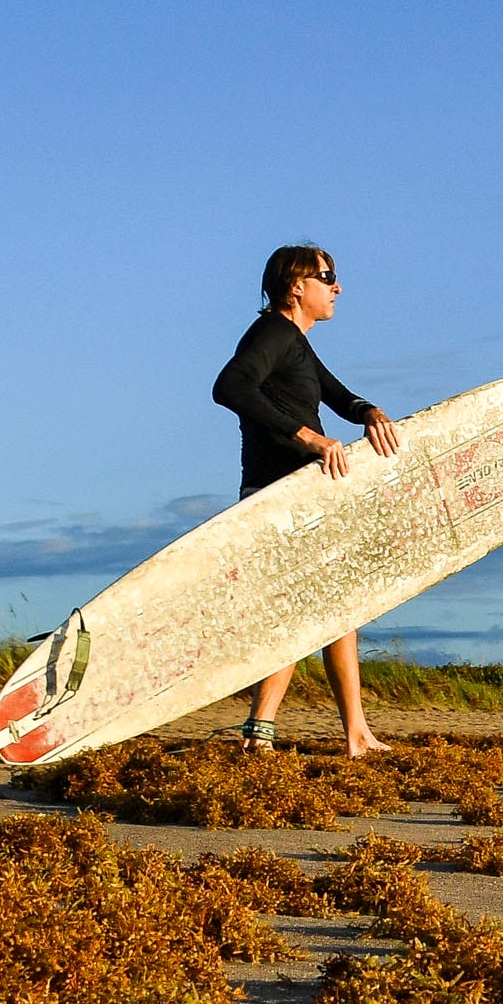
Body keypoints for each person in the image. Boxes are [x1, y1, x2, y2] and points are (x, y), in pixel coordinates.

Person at [212, 245, 400, 756]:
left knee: (335, 607)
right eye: (327, 276)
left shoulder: (294, 340)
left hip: (300, 491)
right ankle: (261, 728)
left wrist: (369, 411)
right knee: (301, 611)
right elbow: (229, 387)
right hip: (281, 493)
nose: (337, 286)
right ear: (297, 286)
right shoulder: (272, 332)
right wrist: (308, 437)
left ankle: (354, 731)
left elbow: (334, 393)